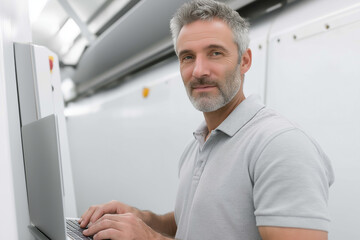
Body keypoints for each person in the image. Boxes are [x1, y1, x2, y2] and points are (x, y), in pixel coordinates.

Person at [80, 0, 334, 239]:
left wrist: (149, 237)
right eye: (188, 57)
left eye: (215, 53)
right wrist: (143, 219)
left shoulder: (279, 145)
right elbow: (193, 224)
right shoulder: (199, 144)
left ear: (244, 61)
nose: (199, 71)